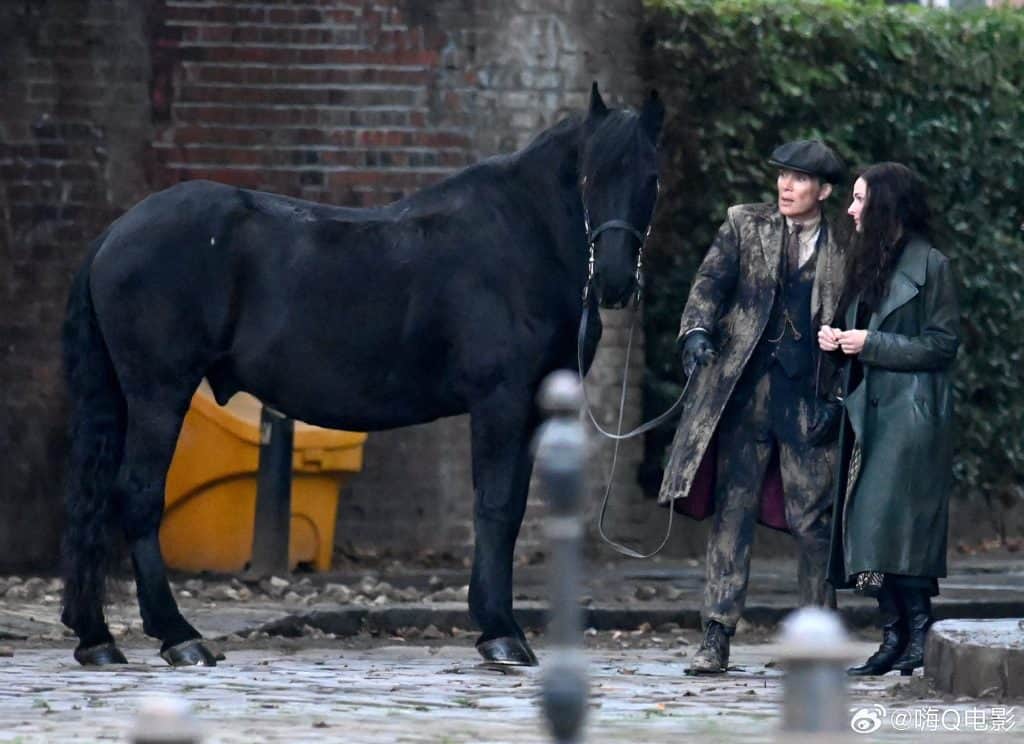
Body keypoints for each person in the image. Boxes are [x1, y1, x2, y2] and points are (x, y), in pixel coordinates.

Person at [658, 140, 848, 674]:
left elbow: (861, 318)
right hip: (743, 394)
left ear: (824, 191)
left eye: (799, 178)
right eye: (783, 175)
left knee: (812, 522)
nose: (786, 186)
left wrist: (839, 397)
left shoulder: (846, 244)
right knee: (732, 511)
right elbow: (708, 285)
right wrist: (696, 332)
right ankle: (715, 635)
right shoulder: (745, 224)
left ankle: (817, 639)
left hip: (809, 399)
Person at [820, 162, 960, 676]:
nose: (851, 209)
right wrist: (836, 340)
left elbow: (942, 344)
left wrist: (871, 343)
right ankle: (894, 634)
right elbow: (859, 331)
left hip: (911, 415)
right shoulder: (867, 262)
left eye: (860, 199)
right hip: (868, 414)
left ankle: (917, 633)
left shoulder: (932, 265)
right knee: (871, 527)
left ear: (886, 204)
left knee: (900, 528)